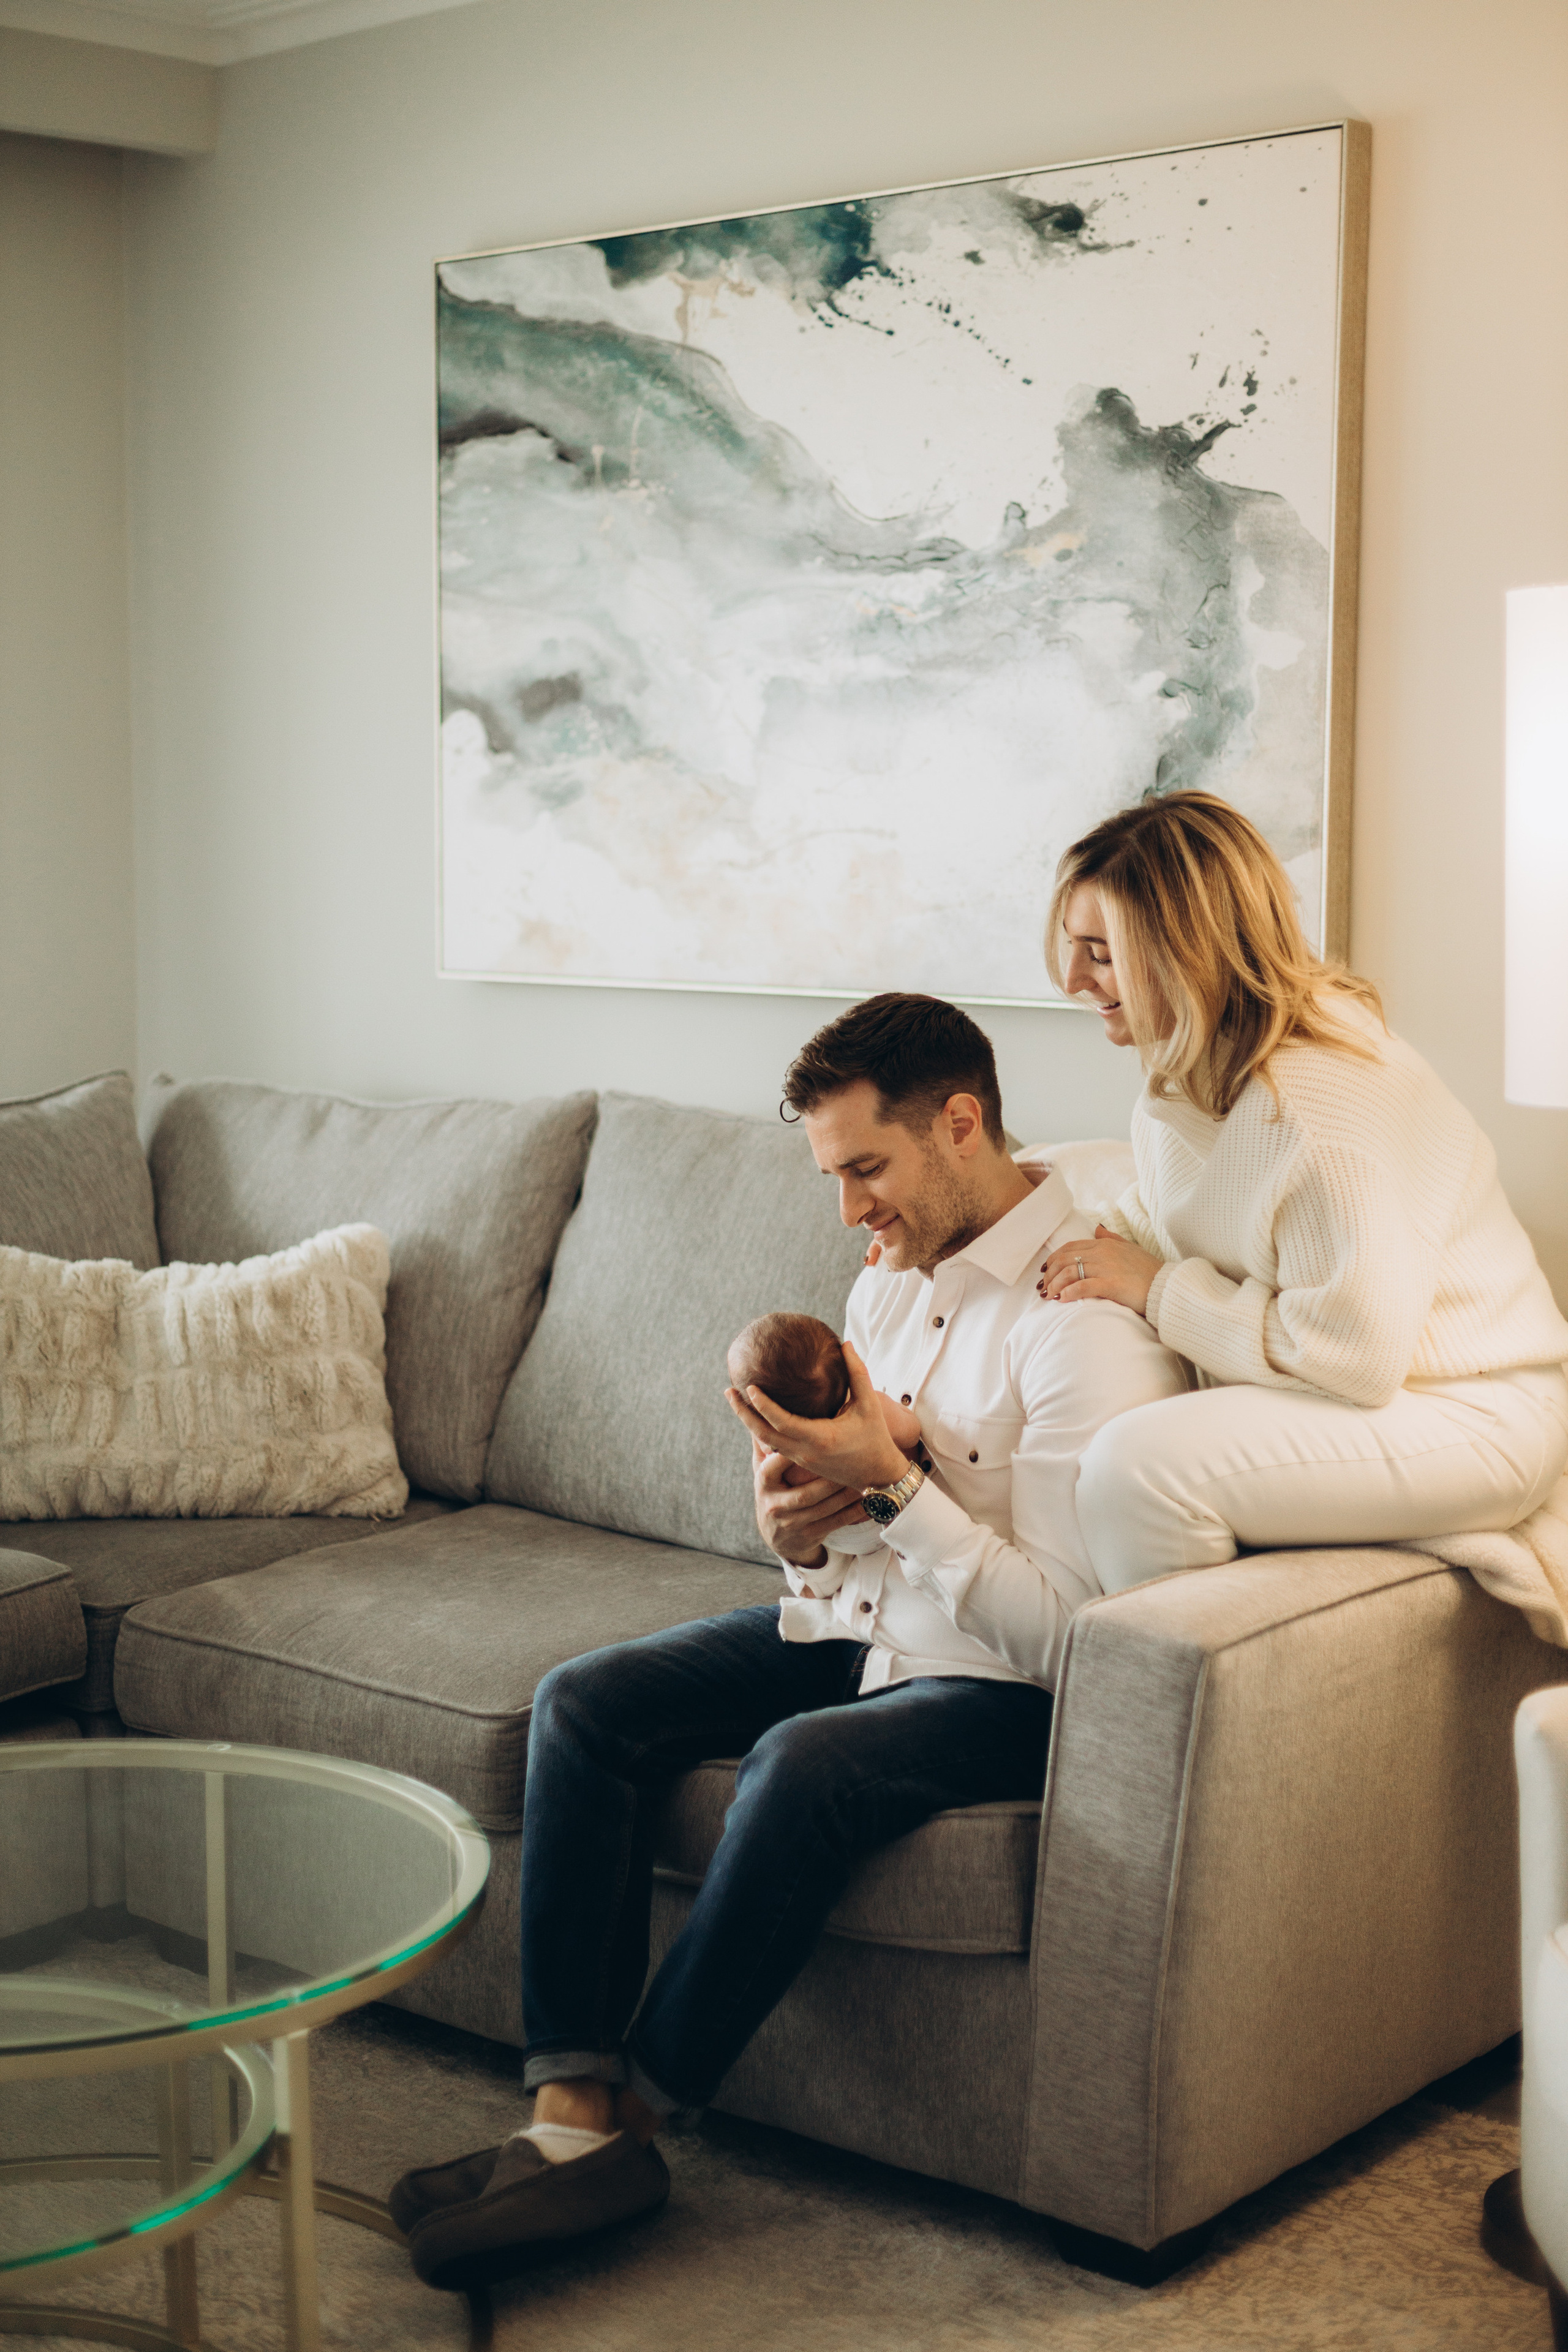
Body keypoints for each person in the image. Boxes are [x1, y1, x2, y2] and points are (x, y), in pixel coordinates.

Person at [390, 992, 1186, 2288]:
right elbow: (836, 1548)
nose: (847, 1212)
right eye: (832, 1177)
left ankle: (637, 2122)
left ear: (960, 1123)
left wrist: (883, 1489)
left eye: (864, 1169)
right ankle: (566, 2114)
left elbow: (1077, 1639)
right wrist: (797, 1528)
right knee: (583, 1703)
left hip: (1002, 1681)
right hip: (859, 1627)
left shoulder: (1077, 1321)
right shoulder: (882, 1287)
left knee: (803, 1766)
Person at [1035, 789, 1568, 1593]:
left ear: (1188, 947)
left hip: (1473, 1410)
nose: (1074, 979)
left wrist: (1162, 1292)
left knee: (1135, 1469)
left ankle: (1166, 1714)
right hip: (1380, 1393)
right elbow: (1168, 1215)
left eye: (1100, 951)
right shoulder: (1191, 1063)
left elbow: (1355, 1355)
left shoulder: (1319, 1106)